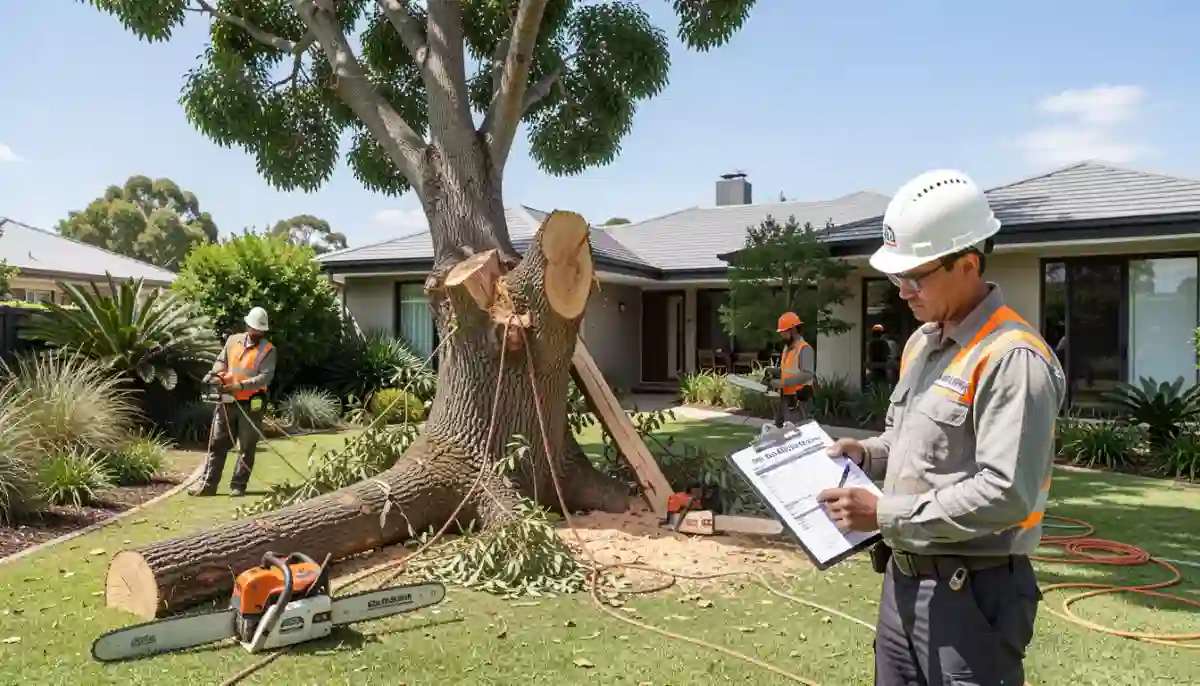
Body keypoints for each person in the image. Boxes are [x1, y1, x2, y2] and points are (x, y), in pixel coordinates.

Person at [815, 169, 1066, 686]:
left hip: (972, 595)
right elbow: (906, 444)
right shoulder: (923, 345)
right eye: (895, 278)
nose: (903, 292)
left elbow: (1006, 493)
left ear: (968, 264)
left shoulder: (1011, 357)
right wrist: (865, 455)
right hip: (903, 585)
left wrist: (882, 512)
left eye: (916, 277)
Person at [189, 306, 277, 497]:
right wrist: (214, 375)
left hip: (250, 405)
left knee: (246, 446)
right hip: (227, 401)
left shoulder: (268, 350)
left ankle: (238, 485)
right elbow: (222, 362)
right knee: (217, 443)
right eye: (254, 329)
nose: (256, 333)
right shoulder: (232, 341)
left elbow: (265, 378)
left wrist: (240, 386)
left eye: (260, 330)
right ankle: (208, 485)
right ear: (247, 326)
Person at [767, 311, 815, 427]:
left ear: (793, 330)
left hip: (799, 398)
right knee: (779, 430)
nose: (782, 335)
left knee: (797, 433)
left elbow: (807, 374)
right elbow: (788, 369)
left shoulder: (804, 349)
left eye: (784, 332)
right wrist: (774, 371)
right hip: (786, 396)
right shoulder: (788, 348)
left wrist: (783, 383)